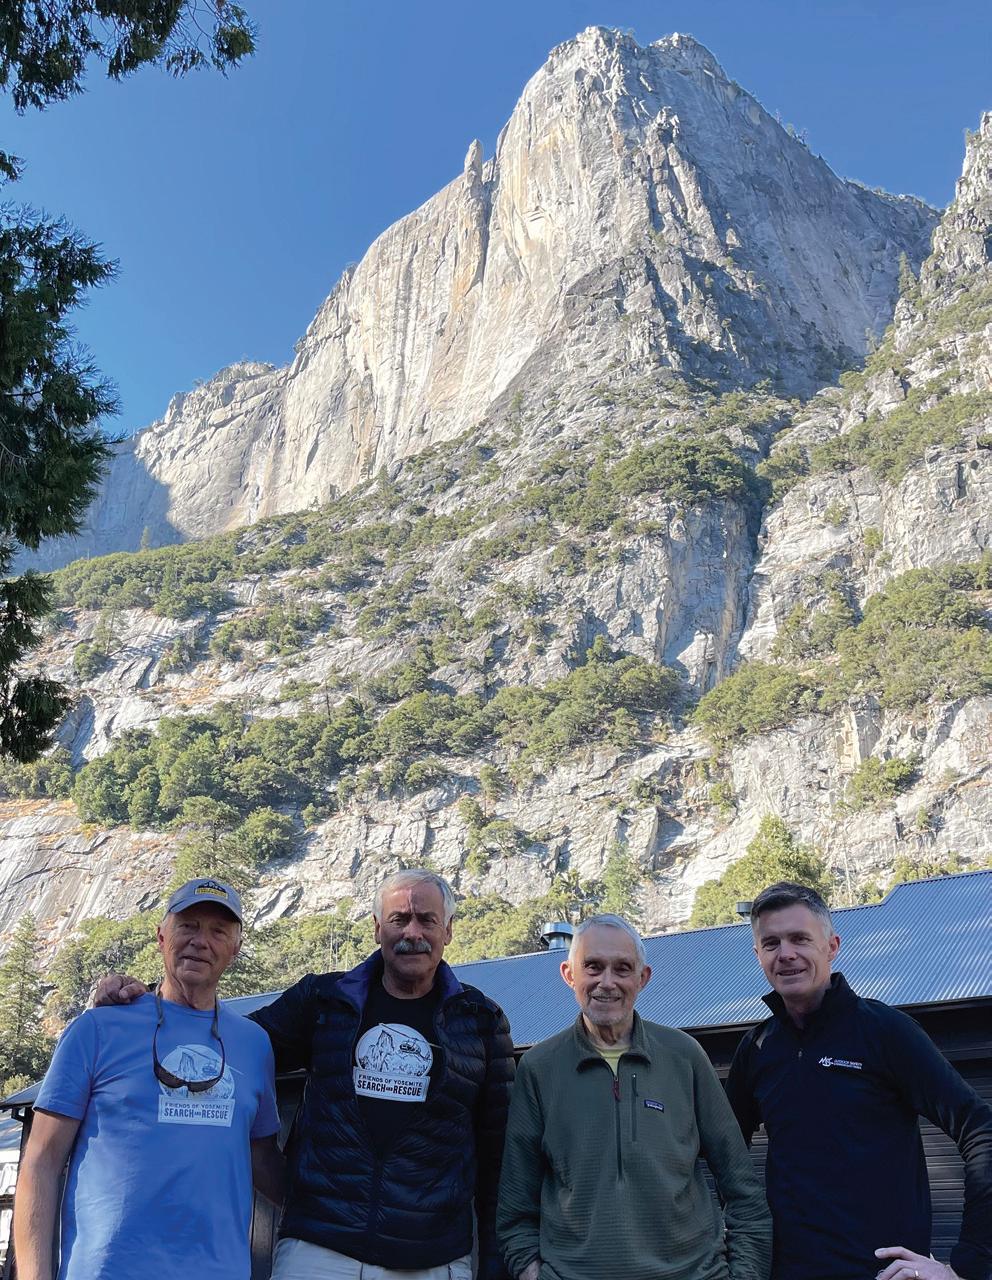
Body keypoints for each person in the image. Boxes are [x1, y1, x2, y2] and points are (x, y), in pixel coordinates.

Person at [93, 868, 515, 1280]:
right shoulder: (323, 1000)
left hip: (432, 1257)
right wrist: (145, 1006)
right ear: (376, 928)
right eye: (399, 919)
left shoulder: (480, 1021)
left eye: (427, 920)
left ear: (449, 930)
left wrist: (496, 1264)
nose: (412, 933)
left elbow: (499, 1155)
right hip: (318, 1249)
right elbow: (223, 1046)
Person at [13, 877, 282, 1280]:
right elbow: (41, 1161)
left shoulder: (254, 1044)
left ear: (236, 948)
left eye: (218, 931)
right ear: (161, 936)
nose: (200, 941)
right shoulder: (97, 1029)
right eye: (188, 926)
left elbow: (264, 1160)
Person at [725, 880, 992, 1280]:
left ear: (832, 946)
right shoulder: (758, 1048)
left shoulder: (885, 1031)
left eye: (800, 939)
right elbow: (725, 1154)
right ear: (758, 955)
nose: (786, 954)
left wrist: (968, 1265)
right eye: (771, 943)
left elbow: (980, 1129)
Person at [497, 913, 772, 1280]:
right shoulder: (538, 1068)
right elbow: (514, 1208)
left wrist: (745, 1275)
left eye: (622, 969)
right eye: (593, 967)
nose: (607, 982)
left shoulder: (685, 1057)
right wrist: (533, 1273)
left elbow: (743, 1190)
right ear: (569, 974)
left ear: (643, 978)